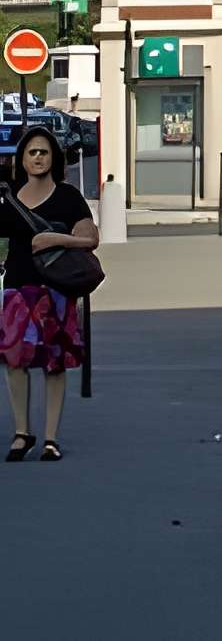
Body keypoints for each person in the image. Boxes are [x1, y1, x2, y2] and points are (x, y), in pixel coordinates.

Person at [0, 127, 95, 460]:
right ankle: (22, 432)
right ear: (22, 159)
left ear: (53, 157)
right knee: (14, 361)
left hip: (54, 289)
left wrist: (55, 239)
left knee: (54, 363)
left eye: (43, 151)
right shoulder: (9, 195)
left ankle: (51, 438)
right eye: (31, 152)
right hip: (16, 288)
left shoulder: (68, 196)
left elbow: (90, 239)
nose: (38, 157)